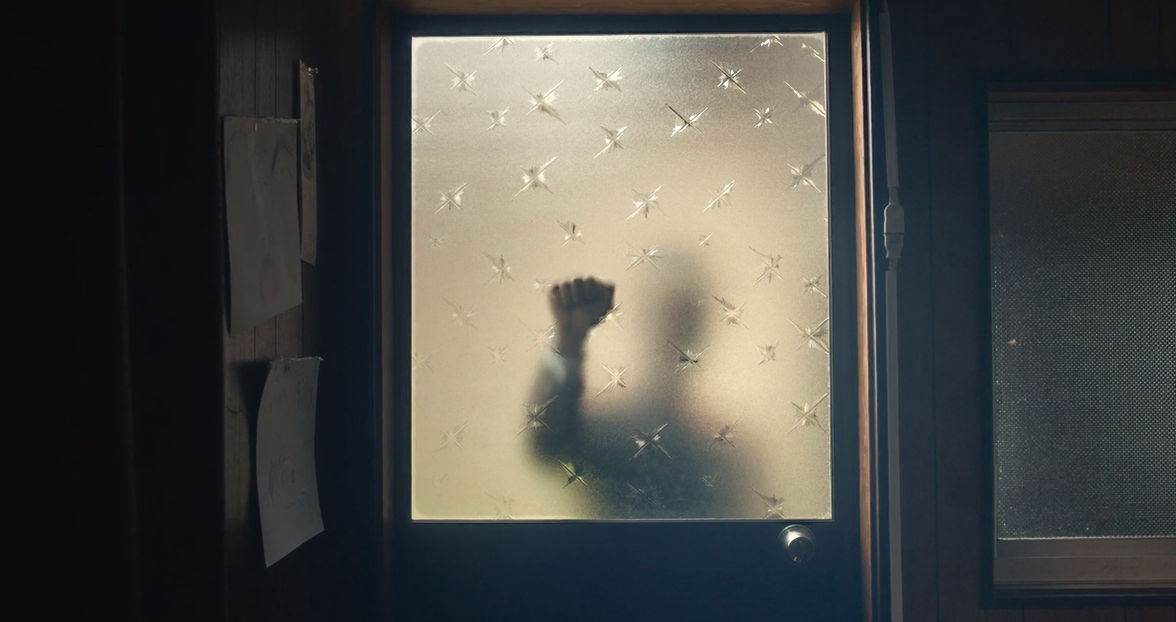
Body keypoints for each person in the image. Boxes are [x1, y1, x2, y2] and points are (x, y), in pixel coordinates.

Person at [527, 276, 742, 518]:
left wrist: (569, 343)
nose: (673, 341)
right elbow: (549, 444)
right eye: (668, 322)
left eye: (682, 325)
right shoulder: (616, 432)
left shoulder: (717, 453)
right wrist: (569, 342)